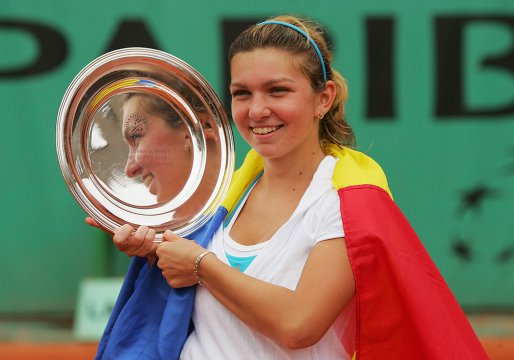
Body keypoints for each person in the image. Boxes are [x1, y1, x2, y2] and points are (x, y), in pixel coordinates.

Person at [93, 15, 488, 359]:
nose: (257, 109)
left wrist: (199, 265)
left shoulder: (345, 204)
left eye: (277, 90)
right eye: (242, 93)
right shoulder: (224, 199)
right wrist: (154, 251)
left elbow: (299, 325)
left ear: (323, 98)